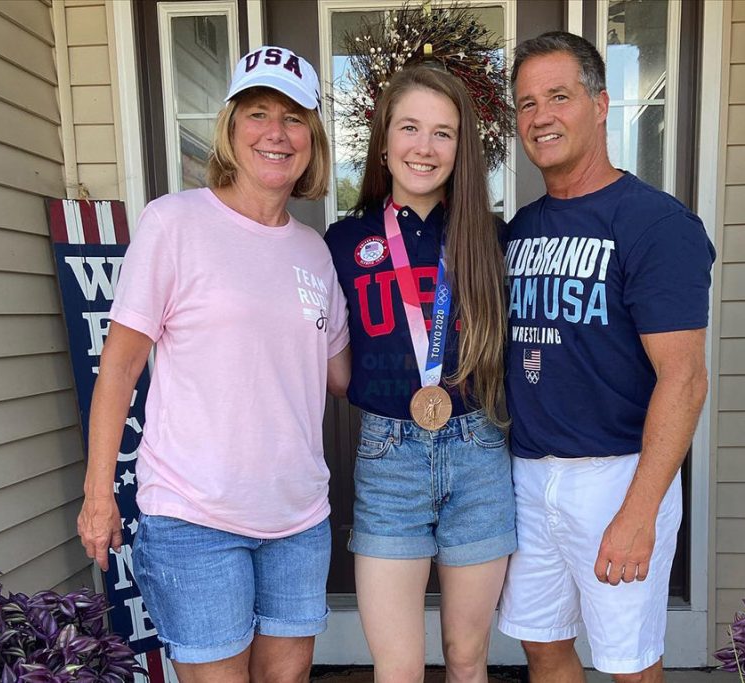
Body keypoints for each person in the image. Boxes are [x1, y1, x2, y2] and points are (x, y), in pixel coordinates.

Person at [76, 46, 349, 683]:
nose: (276, 134)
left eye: (295, 118)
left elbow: (340, 375)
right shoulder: (174, 223)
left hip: (299, 520)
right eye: (258, 113)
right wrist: (98, 497)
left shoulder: (313, 251)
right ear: (229, 128)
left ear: (312, 141)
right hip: (195, 518)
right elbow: (118, 369)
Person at [497, 32, 715, 683]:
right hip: (529, 476)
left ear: (599, 104)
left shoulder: (655, 223)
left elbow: (686, 378)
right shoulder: (518, 231)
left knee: (627, 662)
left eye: (558, 96)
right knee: (542, 645)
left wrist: (639, 509)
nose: (541, 116)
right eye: (527, 102)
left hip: (617, 473)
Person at [324, 65, 515, 683]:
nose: (424, 148)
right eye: (410, 128)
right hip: (389, 458)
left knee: (467, 658)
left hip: (478, 451)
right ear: (384, 141)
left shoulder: (491, 236)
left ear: (461, 150)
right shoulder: (344, 241)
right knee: (399, 666)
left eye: (443, 133)